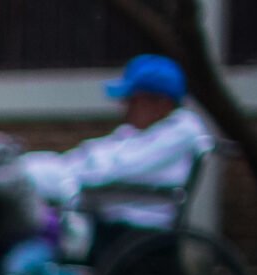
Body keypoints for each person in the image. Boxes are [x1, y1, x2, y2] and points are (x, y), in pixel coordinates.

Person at [22, 55, 212, 262]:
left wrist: (83, 167)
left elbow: (114, 169)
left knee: (25, 182)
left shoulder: (178, 133)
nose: (125, 107)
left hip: (129, 225)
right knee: (24, 171)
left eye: (132, 100)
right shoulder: (142, 134)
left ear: (161, 103)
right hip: (100, 203)